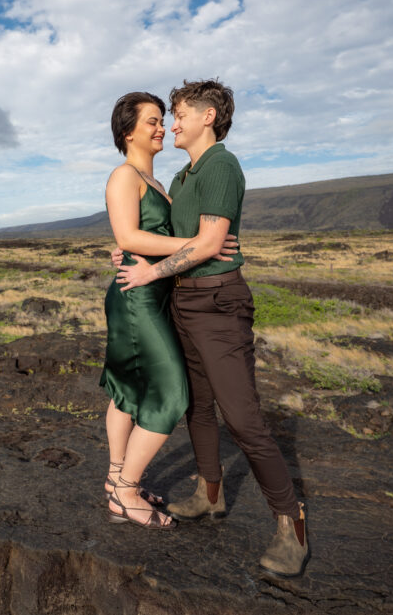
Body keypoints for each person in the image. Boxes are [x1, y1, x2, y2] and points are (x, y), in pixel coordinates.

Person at [115, 79, 309, 576]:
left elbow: (207, 244)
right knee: (198, 408)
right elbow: (180, 239)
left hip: (219, 303)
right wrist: (131, 250)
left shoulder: (222, 164)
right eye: (167, 116)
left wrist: (150, 270)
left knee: (242, 419)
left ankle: (292, 523)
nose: (172, 123)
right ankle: (209, 494)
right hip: (185, 302)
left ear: (208, 117)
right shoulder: (182, 178)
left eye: (178, 113)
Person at [100, 91, 238, 530]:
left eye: (164, 121)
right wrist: (199, 246)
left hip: (151, 292)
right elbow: (129, 237)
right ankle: (125, 492)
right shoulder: (124, 175)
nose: (162, 128)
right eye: (152, 122)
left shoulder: (155, 181)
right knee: (172, 393)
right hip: (137, 298)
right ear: (127, 131)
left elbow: (133, 235)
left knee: (128, 387)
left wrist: (188, 247)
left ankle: (115, 479)